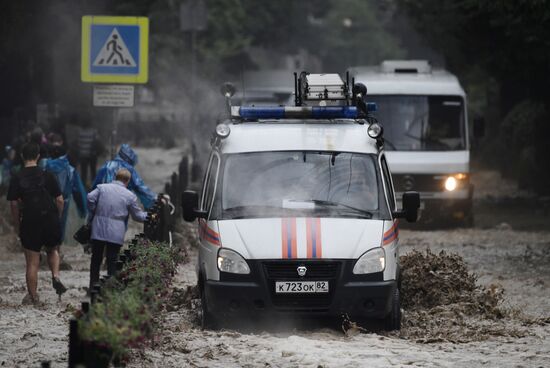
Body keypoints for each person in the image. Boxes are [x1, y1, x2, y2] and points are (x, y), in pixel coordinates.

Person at [6, 142, 67, 304]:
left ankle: (33, 297)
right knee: (53, 250)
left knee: (32, 262)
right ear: (38, 156)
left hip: (30, 220)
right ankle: (55, 276)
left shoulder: (17, 177)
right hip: (50, 217)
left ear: (21, 156)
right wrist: (58, 217)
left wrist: (17, 224)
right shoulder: (47, 174)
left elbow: (13, 204)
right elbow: (60, 200)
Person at [87, 168, 148, 290]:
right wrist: (149, 215)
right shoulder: (129, 196)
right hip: (116, 231)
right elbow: (137, 216)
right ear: (128, 180)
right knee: (112, 259)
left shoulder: (102, 188)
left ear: (115, 177)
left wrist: (95, 210)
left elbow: (90, 197)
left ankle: (93, 286)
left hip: (99, 227)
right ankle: (110, 288)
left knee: (96, 258)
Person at [45, 136, 88, 241]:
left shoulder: (44, 167)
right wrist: (83, 210)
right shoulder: (70, 170)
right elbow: (78, 192)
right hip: (63, 202)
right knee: (60, 227)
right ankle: (56, 251)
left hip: (44, 202)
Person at [92, 144, 156, 209]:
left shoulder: (106, 166)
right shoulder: (129, 169)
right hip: (119, 206)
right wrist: (154, 200)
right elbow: (140, 187)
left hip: (102, 204)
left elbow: (95, 186)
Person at [77, 114, 100, 186]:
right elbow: (97, 141)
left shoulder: (80, 131)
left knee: (83, 172)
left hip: (83, 154)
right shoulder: (94, 131)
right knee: (93, 171)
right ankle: (94, 185)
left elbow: (79, 143)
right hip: (92, 154)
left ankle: (83, 186)